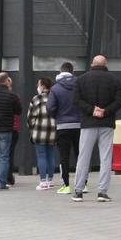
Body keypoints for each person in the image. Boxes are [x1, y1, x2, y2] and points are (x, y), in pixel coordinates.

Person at [71, 54, 121, 203]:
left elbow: (75, 100)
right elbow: (120, 101)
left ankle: (78, 191)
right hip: (107, 123)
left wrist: (91, 110)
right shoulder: (114, 80)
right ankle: (102, 192)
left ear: (92, 64)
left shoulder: (81, 79)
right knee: (106, 158)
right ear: (106, 64)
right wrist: (105, 111)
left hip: (88, 123)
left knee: (83, 157)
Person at [47, 62, 81, 195]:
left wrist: (58, 116)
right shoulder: (79, 86)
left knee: (64, 156)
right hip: (79, 125)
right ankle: (83, 184)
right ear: (72, 71)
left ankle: (66, 185)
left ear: (60, 71)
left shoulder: (55, 89)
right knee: (81, 155)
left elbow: (50, 108)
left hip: (62, 126)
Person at [28, 77, 57, 190]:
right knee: (50, 155)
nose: (37, 87)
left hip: (39, 132)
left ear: (43, 86)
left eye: (38, 84)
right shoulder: (55, 97)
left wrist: (32, 127)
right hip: (53, 131)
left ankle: (43, 181)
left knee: (41, 156)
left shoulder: (36, 99)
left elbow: (30, 117)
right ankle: (50, 180)